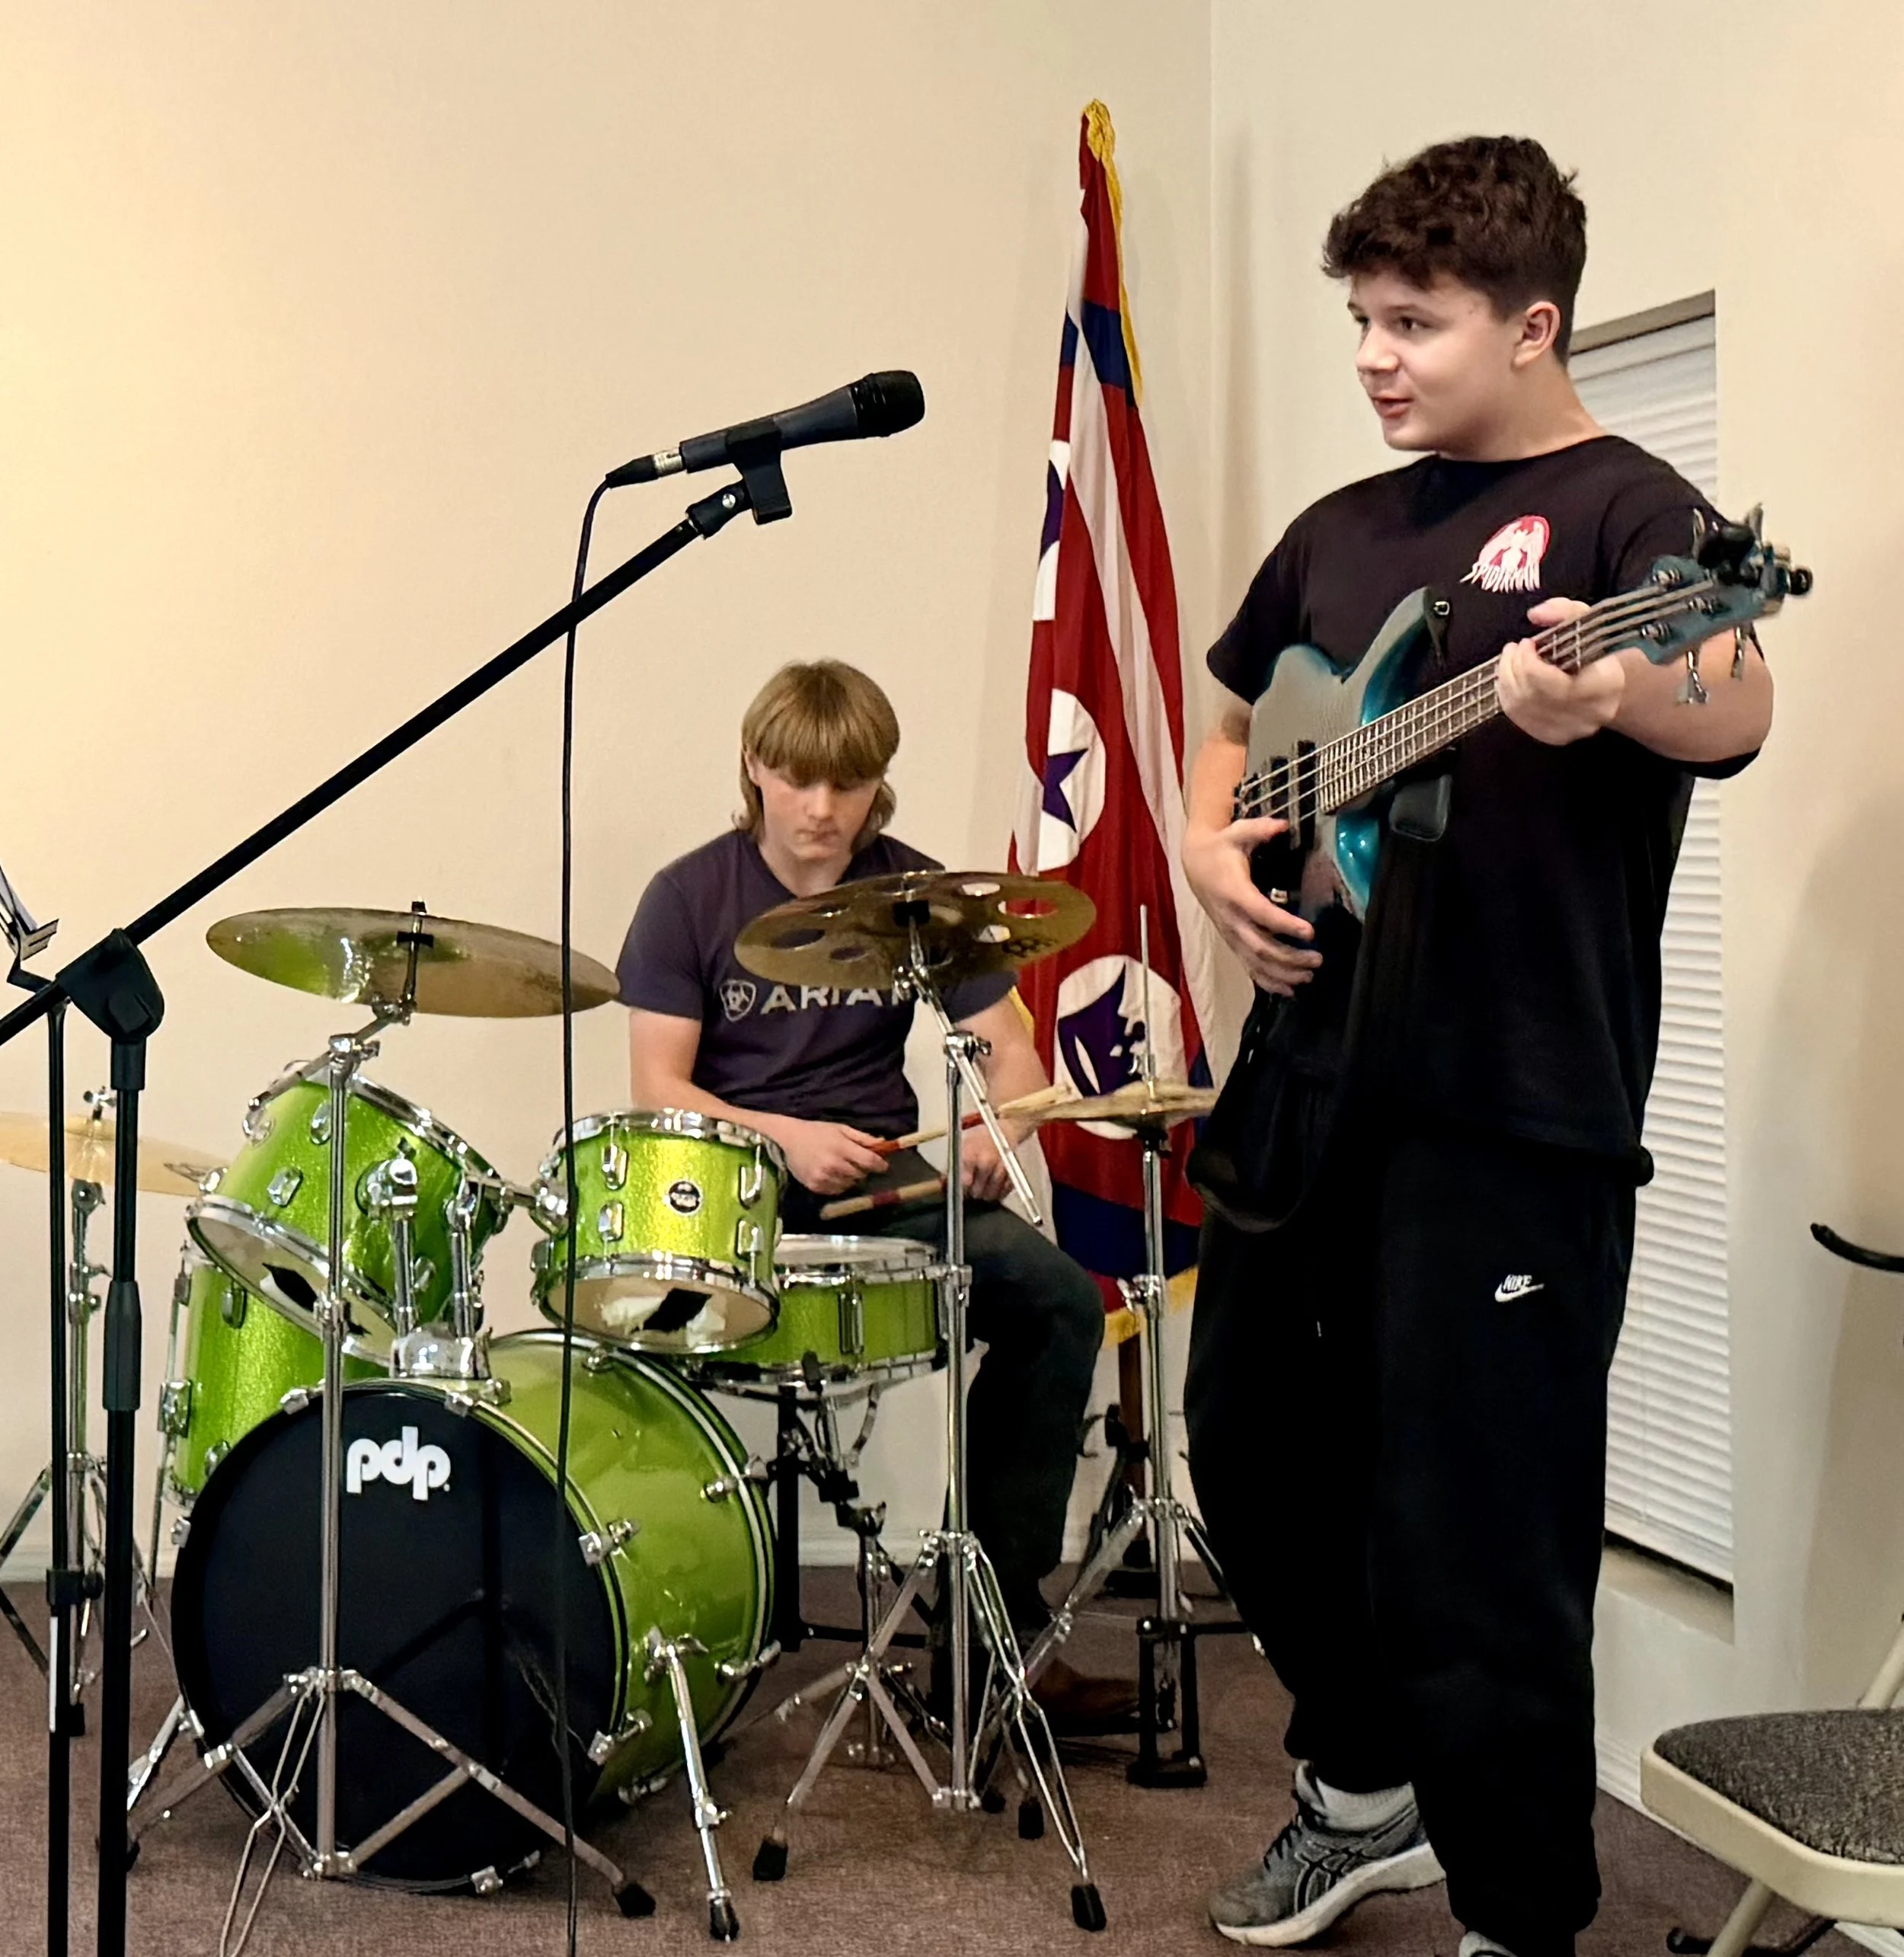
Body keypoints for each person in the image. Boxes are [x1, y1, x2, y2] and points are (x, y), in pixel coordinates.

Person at [1179, 137, 1774, 1957]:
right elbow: (1230, 727)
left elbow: (1729, 692)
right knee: (1251, 1463)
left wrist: (1616, 688)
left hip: (1508, 1108)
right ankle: (1362, 1800)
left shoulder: (1624, 513)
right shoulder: (1336, 532)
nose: (1372, 355)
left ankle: (1516, 1916)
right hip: (1298, 1081)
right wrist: (1213, 847)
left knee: (1480, 1544)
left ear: (1529, 325)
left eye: (1411, 322)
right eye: (1360, 317)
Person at [617, 657, 1131, 1726]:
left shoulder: (919, 896)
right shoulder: (688, 897)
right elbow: (660, 1087)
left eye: (847, 784)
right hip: (734, 1182)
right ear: (755, 767)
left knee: (1060, 1301)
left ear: (876, 782)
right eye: (799, 780)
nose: (822, 809)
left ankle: (994, 1629)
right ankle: (638, 1616)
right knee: (620, 1334)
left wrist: (1004, 1128)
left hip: (888, 1174)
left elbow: (1010, 1052)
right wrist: (787, 1139)